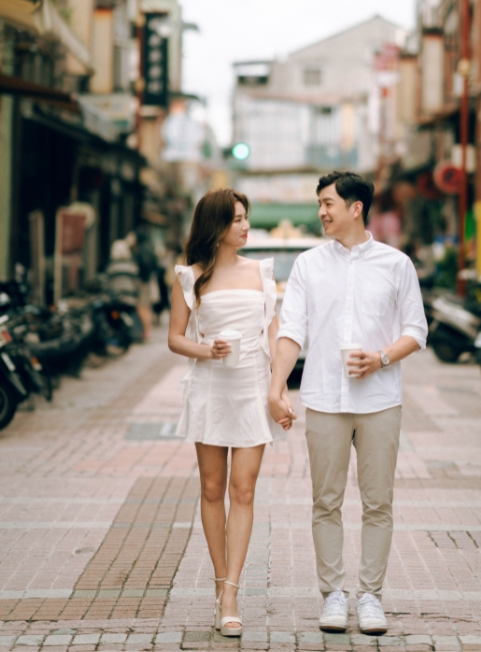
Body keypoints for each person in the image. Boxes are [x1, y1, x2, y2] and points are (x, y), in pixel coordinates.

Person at [268, 171, 428, 636]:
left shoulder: (396, 264)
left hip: (379, 400)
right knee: (326, 501)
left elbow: (416, 331)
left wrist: (380, 358)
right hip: (322, 398)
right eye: (319, 203)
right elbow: (290, 330)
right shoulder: (307, 265)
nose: (321, 212)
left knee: (378, 502)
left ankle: (371, 597)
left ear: (355, 207)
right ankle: (333, 595)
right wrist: (277, 386)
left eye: (327, 203)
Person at [168, 189, 285, 638]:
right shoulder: (190, 276)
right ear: (215, 225)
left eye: (246, 218)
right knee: (212, 488)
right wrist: (207, 349)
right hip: (211, 385)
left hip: (253, 386)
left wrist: (279, 390)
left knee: (245, 489)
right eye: (237, 219)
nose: (245, 226)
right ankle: (220, 582)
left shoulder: (262, 272)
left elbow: (274, 335)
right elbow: (175, 338)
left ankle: (233, 593)